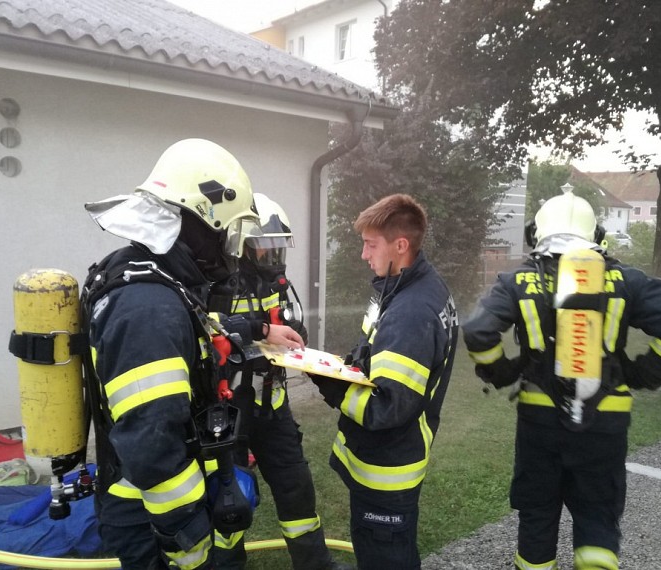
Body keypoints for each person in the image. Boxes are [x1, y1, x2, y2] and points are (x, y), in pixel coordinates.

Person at [82, 138, 304, 570]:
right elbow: (153, 448)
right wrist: (190, 545)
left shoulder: (160, 285)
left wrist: (259, 329)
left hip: (160, 508)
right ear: (204, 223)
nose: (232, 252)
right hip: (155, 519)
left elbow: (201, 333)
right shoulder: (148, 307)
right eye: (229, 234)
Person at [462, 188, 661, 570]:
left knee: (538, 513)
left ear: (536, 233)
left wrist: (500, 370)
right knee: (598, 515)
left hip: (539, 420)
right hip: (606, 422)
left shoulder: (518, 281)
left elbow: (478, 330)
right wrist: (643, 373)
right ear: (596, 235)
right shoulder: (627, 280)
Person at [311, 193, 459, 570]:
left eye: (370, 244)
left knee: (385, 557)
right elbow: (374, 351)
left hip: (387, 472)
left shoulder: (411, 312)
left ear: (401, 245)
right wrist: (346, 365)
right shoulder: (406, 288)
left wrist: (330, 383)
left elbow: (386, 408)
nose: (364, 255)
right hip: (393, 459)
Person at [207, 193, 353, 570]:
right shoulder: (216, 284)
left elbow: (287, 323)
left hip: (272, 408)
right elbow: (206, 330)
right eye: (264, 247)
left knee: (296, 488)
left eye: (277, 246)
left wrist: (294, 332)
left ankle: (316, 564)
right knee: (229, 498)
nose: (272, 255)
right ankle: (226, 565)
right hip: (228, 413)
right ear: (240, 246)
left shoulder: (275, 284)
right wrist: (259, 330)